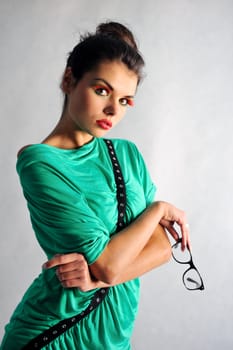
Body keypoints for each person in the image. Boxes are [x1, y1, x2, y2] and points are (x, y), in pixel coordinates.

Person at [0, 21, 190, 349]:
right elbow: (109, 265)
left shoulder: (128, 155)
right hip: (55, 333)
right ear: (69, 79)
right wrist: (157, 210)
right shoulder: (39, 162)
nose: (113, 110)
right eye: (102, 90)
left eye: (126, 100)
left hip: (113, 338)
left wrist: (96, 275)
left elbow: (161, 248)